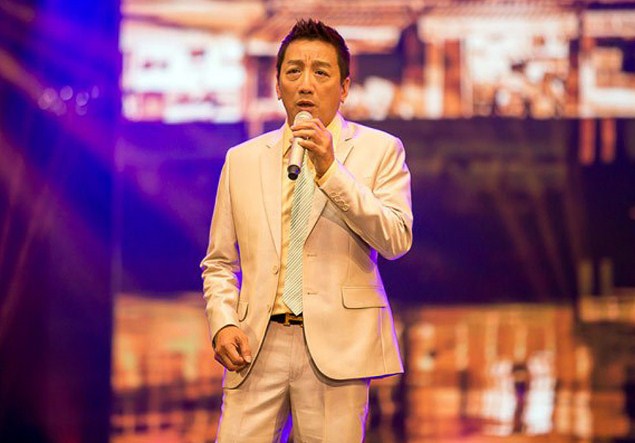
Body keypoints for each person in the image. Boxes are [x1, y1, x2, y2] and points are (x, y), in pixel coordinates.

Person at [200, 18, 413, 442]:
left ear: (345, 86)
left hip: (338, 349)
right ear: (277, 85)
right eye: (294, 71)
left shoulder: (380, 150)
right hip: (255, 345)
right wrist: (223, 322)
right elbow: (219, 262)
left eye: (321, 72)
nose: (306, 84)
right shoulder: (242, 160)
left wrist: (331, 170)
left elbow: (396, 238)